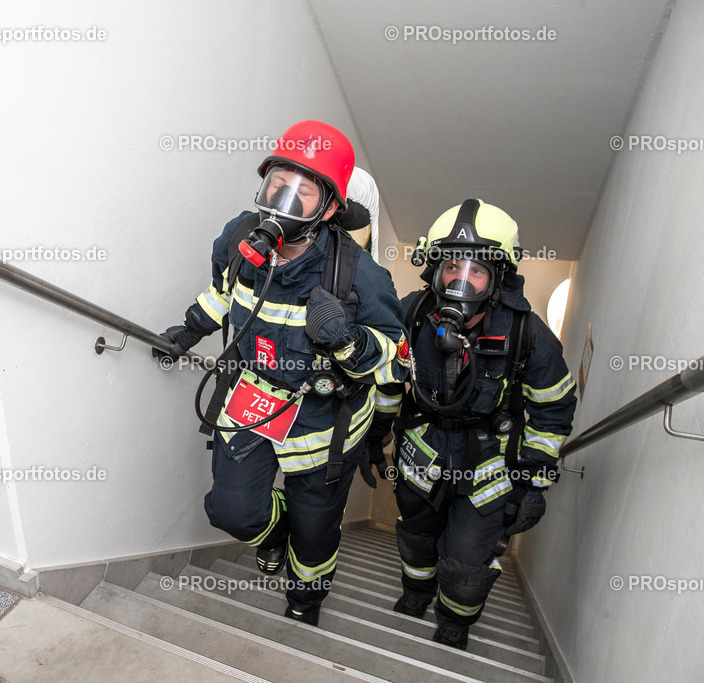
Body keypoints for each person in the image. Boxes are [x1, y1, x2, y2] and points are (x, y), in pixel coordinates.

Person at [155, 120, 408, 626]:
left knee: (314, 536)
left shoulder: (360, 276)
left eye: (303, 192)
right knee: (231, 511)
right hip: (253, 398)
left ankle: (304, 601)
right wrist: (189, 330)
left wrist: (346, 340)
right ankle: (273, 535)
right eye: (277, 183)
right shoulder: (238, 237)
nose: (282, 201)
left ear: (330, 208)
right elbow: (225, 293)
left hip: (323, 422)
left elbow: (393, 358)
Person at [361, 199, 577, 649]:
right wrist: (372, 437)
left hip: (488, 463)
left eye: (476, 270)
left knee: (467, 561)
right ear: (435, 269)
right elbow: (382, 374)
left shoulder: (526, 333)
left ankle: (456, 619)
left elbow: (553, 407)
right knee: (417, 536)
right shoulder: (412, 314)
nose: (461, 279)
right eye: (452, 265)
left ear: (499, 277)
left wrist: (533, 481)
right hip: (420, 449)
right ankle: (417, 591)